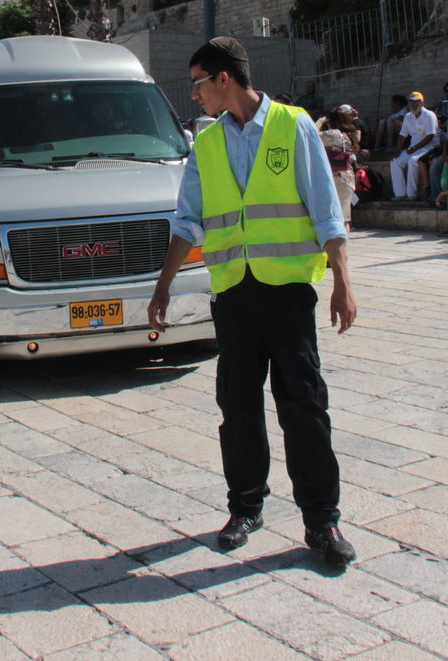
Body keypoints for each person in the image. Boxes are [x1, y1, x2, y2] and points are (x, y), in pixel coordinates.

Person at [146, 36, 358, 567]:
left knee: (303, 405)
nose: (193, 95)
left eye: (197, 83)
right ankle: (245, 507)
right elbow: (187, 219)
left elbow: (324, 207)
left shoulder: (294, 125)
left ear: (223, 79)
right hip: (234, 295)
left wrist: (342, 281)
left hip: (286, 294)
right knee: (237, 407)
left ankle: (322, 521)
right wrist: (164, 284)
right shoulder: (206, 143)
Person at [390, 92, 439, 201]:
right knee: (395, 162)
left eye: (415, 102)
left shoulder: (429, 115)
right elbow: (402, 135)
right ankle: (400, 194)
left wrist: (414, 148)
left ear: (422, 103)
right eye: (411, 102)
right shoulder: (408, 116)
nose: (413, 104)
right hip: (413, 147)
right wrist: (398, 151)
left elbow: (430, 136)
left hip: (429, 146)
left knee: (413, 161)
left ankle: (411, 194)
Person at [315, 109, 358, 232]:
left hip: (334, 179)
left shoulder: (333, 134)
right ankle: (344, 244)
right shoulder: (348, 136)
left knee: (332, 217)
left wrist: (320, 121)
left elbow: (311, 133)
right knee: (345, 217)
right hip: (348, 179)